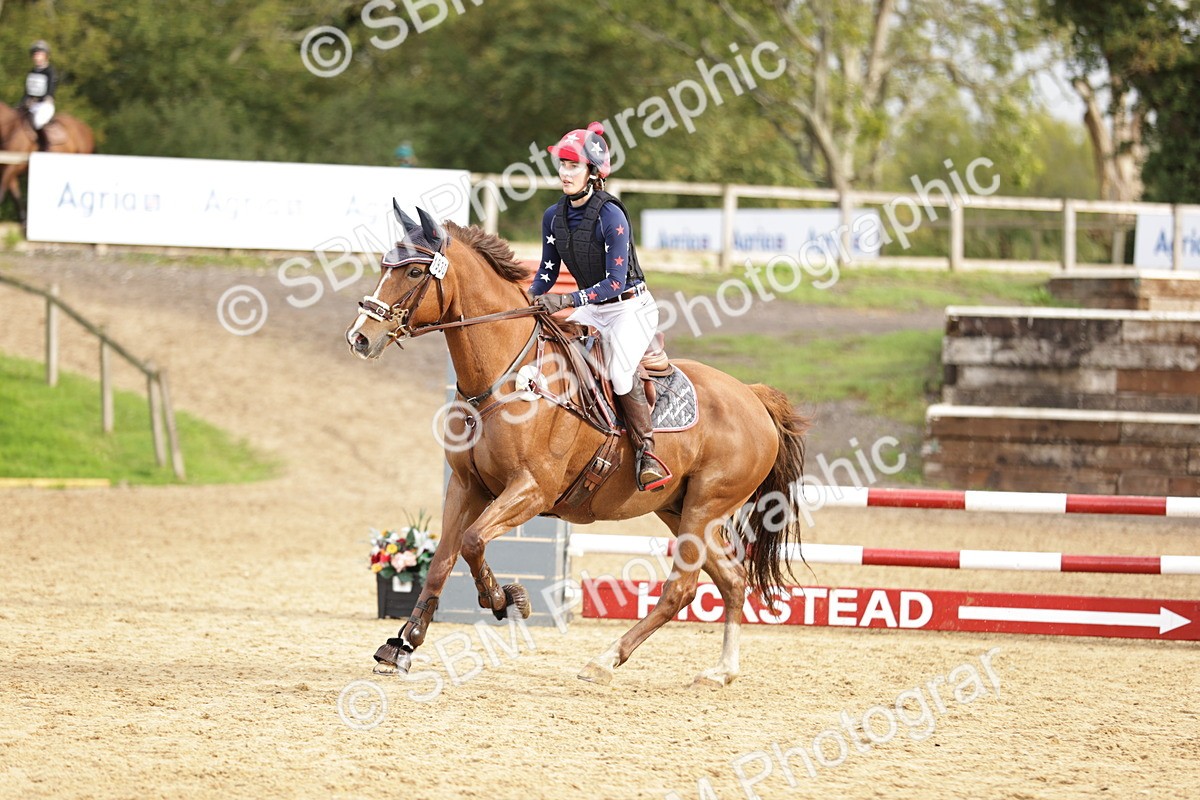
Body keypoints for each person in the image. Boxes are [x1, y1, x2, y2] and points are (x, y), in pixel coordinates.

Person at [531, 121, 671, 492]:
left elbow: (615, 283)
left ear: (593, 172)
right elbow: (547, 274)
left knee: (620, 373)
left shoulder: (611, 215)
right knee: (548, 346)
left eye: (573, 165)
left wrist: (567, 299)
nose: (564, 172)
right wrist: (528, 299)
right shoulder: (553, 217)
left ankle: (647, 453)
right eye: (562, 164)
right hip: (594, 307)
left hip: (630, 307)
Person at [21, 40, 58, 152]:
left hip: (44, 105)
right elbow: (27, 91)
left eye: (39, 54)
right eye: (35, 54)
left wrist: (42, 99)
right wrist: (23, 103)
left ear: (45, 56)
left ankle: (45, 147)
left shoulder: (50, 71)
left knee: (38, 121)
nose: (37, 57)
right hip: (31, 105)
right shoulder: (31, 72)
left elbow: (50, 90)